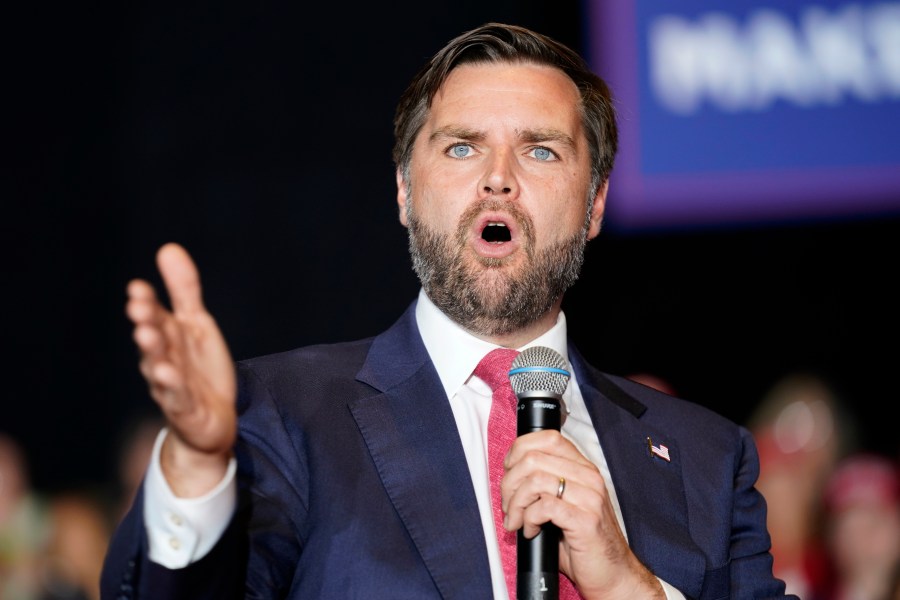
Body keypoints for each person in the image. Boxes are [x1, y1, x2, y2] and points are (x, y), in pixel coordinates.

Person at [101, 22, 795, 599]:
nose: (499, 177)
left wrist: (628, 586)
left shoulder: (707, 457)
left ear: (595, 206)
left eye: (541, 150)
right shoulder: (282, 413)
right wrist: (195, 466)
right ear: (405, 193)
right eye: (462, 146)